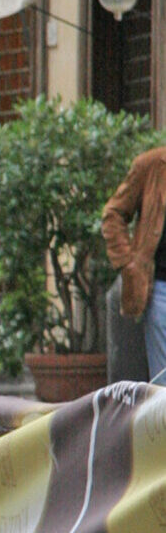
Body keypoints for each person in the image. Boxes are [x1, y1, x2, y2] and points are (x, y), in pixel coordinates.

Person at [101, 144, 166, 383]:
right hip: (161, 290)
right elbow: (113, 213)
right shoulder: (151, 165)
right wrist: (127, 262)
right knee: (163, 388)